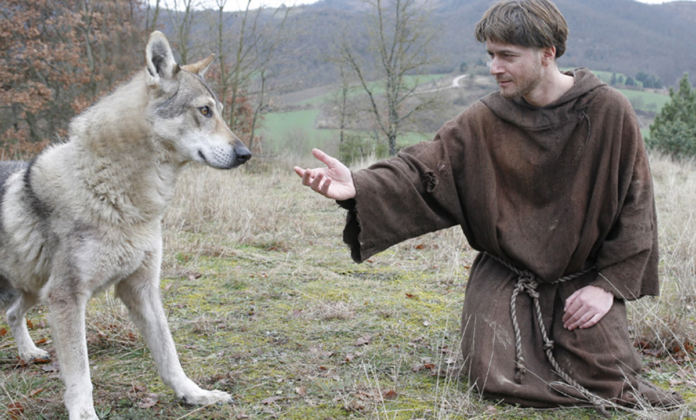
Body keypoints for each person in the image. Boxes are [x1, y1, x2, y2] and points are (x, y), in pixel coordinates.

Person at [294, 0, 683, 412]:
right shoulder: (484, 119)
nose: (494, 67)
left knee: (608, 380)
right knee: (493, 377)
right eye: (490, 55)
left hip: (583, 278)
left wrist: (607, 288)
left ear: (547, 53)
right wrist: (358, 184)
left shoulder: (609, 112)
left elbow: (636, 206)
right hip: (507, 276)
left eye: (507, 56)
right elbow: (425, 168)